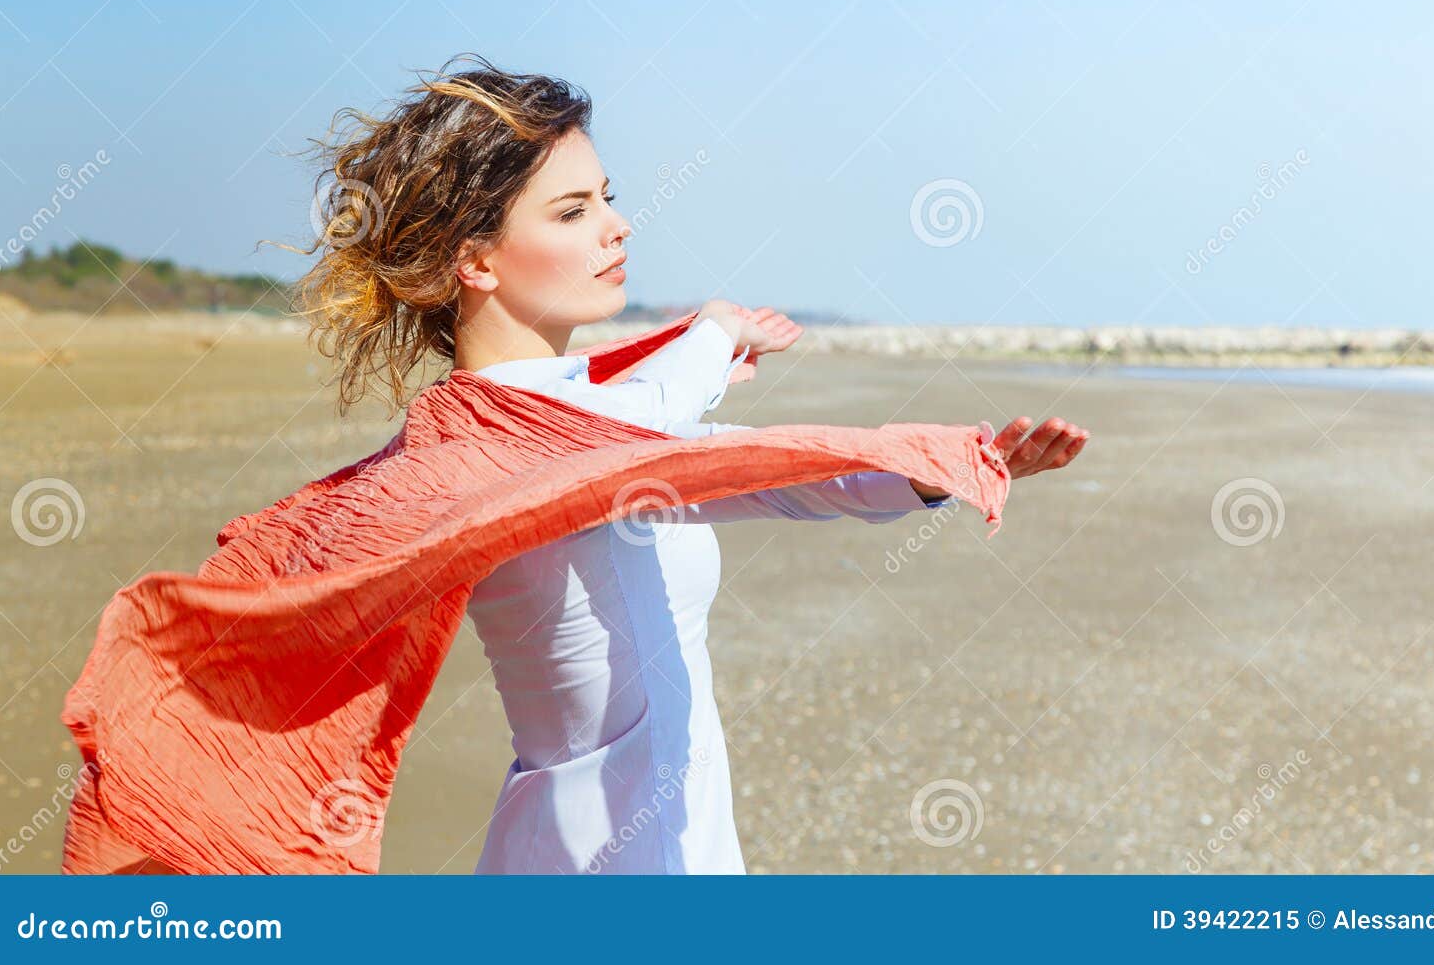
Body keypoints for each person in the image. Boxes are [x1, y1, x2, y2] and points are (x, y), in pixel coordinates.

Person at [289, 54, 1090, 873]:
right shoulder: (481, 442)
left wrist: (942, 466)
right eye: (572, 212)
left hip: (683, 850)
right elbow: (646, 433)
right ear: (478, 262)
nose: (615, 225)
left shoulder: (596, 413)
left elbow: (771, 474)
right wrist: (710, 333)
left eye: (608, 197)